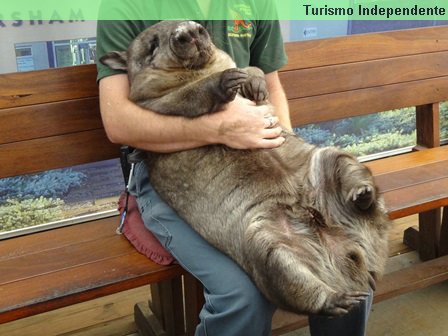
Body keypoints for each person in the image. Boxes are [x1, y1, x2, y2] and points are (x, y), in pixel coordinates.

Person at [96, 2, 373, 335]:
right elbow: (118, 124)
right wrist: (218, 129)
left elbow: (270, 86)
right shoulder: (123, 6)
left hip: (261, 166)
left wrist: (292, 159)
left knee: (346, 254)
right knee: (244, 295)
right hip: (179, 180)